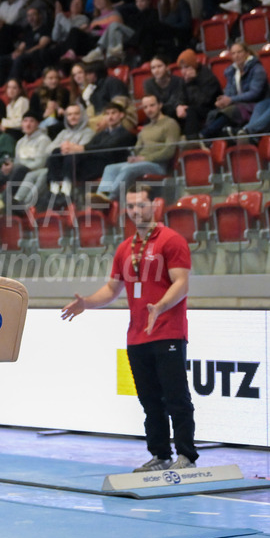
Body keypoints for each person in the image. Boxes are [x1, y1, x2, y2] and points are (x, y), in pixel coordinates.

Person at [61, 183, 196, 472]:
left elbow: (182, 283)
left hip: (168, 332)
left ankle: (186, 456)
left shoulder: (171, 240)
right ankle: (161, 455)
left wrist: (160, 306)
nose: (136, 211)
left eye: (141, 205)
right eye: (131, 206)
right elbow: (112, 289)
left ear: (155, 205)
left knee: (176, 398)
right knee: (149, 401)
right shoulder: (125, 248)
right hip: (137, 336)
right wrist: (86, 303)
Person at [89, 95, 180, 203]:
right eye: (145, 107)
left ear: (160, 105)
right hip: (141, 163)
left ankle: (109, 198)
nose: (149, 110)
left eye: (152, 105)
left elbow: (169, 150)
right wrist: (133, 157)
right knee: (110, 168)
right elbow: (137, 148)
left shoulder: (170, 124)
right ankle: (100, 198)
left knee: (128, 169)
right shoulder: (146, 128)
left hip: (159, 165)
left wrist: (145, 158)